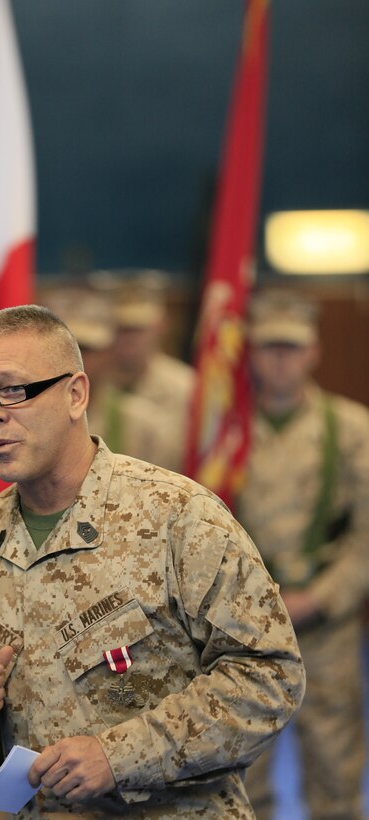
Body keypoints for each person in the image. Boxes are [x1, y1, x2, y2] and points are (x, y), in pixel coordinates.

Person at [0, 303, 305, 818]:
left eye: (13, 390)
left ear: (76, 394)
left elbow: (271, 676)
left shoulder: (177, 517)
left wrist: (119, 756)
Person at [239, 289, 369, 820]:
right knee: (244, 781)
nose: (281, 359)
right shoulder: (227, 434)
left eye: (292, 348)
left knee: (335, 779)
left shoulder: (352, 429)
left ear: (314, 351)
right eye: (270, 346)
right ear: (250, 351)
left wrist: (322, 596)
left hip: (325, 630)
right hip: (245, 633)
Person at [43, 286, 178, 470]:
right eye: (66, 349)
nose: (76, 358)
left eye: (86, 349)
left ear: (108, 353)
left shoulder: (142, 425)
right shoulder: (38, 419)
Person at [97, 271, 196, 473]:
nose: (129, 338)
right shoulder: (94, 382)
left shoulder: (187, 388)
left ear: (161, 327)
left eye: (138, 329)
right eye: (121, 328)